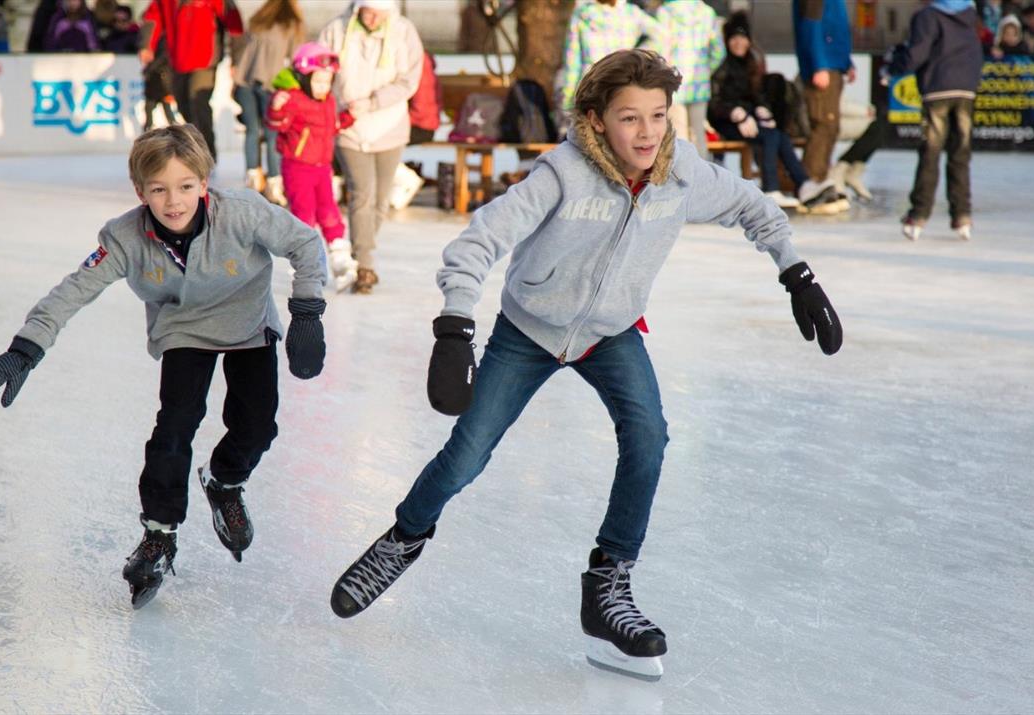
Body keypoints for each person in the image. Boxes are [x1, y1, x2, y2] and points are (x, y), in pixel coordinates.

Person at [327, 49, 842, 682]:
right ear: (597, 120)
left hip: (611, 332)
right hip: (528, 330)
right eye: (630, 118)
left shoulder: (681, 175)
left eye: (658, 115)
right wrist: (456, 327)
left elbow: (753, 207)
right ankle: (402, 539)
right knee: (467, 454)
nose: (648, 132)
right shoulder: (562, 173)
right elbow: (478, 239)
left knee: (649, 438)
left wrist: (795, 271)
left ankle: (608, 584)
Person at [0, 125, 328, 609]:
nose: (173, 201)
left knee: (258, 425)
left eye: (184, 186)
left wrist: (307, 311)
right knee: (174, 427)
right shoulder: (123, 238)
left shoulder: (242, 213)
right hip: (182, 330)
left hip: (247, 325)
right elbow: (75, 289)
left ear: (204, 183)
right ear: (140, 192)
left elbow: (306, 244)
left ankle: (224, 480)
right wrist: (27, 346)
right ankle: (159, 533)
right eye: (158, 190)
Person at [318, 0, 422, 294]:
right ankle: (365, 265)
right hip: (349, 127)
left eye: (380, 12)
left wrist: (375, 101)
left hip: (390, 125)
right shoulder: (336, 31)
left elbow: (409, 80)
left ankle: (359, 250)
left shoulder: (403, 32)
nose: (373, 18)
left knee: (380, 199)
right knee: (362, 194)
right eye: (368, 11)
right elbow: (319, 67)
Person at [709, 12, 836, 211]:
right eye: (734, 38)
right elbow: (715, 103)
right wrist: (736, 114)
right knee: (769, 137)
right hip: (725, 122)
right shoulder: (722, 66)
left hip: (748, 119)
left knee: (780, 135)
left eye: (742, 37)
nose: (738, 42)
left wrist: (761, 109)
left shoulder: (751, 62)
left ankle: (803, 185)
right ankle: (770, 189)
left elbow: (756, 94)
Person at [887, 0, 983, 241]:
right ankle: (962, 214)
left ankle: (918, 215)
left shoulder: (928, 16)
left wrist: (894, 65)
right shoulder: (970, 14)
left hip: (938, 87)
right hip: (965, 89)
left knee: (931, 152)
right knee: (960, 153)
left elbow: (918, 52)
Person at [266, 42, 358, 292]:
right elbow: (277, 125)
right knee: (304, 213)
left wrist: (348, 117)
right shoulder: (293, 99)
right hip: (298, 167)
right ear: (304, 79)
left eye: (327, 82)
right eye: (318, 82)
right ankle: (305, 264)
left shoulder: (328, 101)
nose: (323, 88)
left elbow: (331, 127)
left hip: (322, 168)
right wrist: (276, 107)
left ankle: (339, 256)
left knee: (329, 211)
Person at [141, 0, 243, 162]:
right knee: (183, 105)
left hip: (205, 59)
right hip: (177, 59)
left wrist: (237, 59)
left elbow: (234, 23)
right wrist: (146, 44)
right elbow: (153, 16)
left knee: (198, 102)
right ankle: (196, 147)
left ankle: (207, 154)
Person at [231, 0, 303, 207]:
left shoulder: (258, 21)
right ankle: (274, 183)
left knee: (253, 131)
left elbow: (242, 53)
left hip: (245, 82)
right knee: (273, 135)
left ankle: (253, 179)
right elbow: (296, 58)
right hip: (271, 85)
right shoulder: (291, 24)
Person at [555, 0, 665, 116]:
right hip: (622, 80)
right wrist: (635, 55)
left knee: (589, 130)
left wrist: (567, 99)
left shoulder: (582, 14)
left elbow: (572, 62)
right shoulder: (631, 13)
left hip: (591, 83)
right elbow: (662, 35)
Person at [792, 0, 853, 209]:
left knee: (831, 126)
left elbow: (837, 26)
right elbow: (811, 26)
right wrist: (819, 64)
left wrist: (846, 61)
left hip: (834, 63)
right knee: (823, 124)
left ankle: (821, 180)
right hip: (823, 65)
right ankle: (811, 184)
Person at [654, 0, 723, 158]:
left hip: (673, 84)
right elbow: (719, 51)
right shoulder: (707, 12)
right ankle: (702, 180)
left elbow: (660, 51)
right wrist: (705, 71)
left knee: (678, 136)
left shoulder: (665, 12)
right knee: (699, 135)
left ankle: (679, 180)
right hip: (700, 84)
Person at [141, 38, 178, 130]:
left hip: (163, 85)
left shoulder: (163, 43)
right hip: (154, 86)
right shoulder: (155, 41)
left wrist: (148, 69)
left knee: (168, 114)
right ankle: (147, 133)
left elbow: (162, 59)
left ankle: (178, 135)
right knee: (149, 114)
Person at [408, 49, 441, 144]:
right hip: (420, 126)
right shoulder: (423, 65)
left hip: (421, 128)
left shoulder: (421, 68)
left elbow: (421, 107)